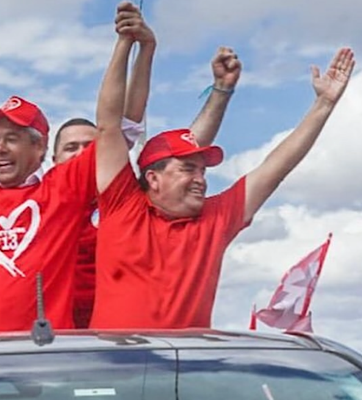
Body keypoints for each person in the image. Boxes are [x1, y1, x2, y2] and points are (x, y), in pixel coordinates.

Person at [0, 17, 241, 327]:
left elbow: (184, 152)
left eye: (90, 146)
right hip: (58, 328)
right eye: (72, 148)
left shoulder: (128, 200)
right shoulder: (39, 198)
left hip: (116, 326)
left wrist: (220, 91)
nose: (83, 155)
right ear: (50, 157)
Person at [92, 12, 355, 329]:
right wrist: (125, 42)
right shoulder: (122, 205)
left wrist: (324, 104)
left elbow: (276, 167)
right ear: (153, 178)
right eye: (188, 168)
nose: (200, 180)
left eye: (203, 171)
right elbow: (108, 125)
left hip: (185, 359)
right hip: (116, 357)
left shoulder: (215, 218)